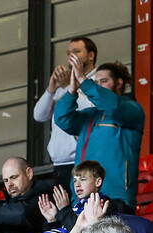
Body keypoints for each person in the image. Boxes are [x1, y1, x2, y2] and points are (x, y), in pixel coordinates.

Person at [54, 60, 144, 207]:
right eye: (96, 82)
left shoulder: (132, 110)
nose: (98, 86)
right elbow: (62, 119)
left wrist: (84, 81)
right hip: (82, 197)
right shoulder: (90, 115)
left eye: (104, 81)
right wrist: (72, 91)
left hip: (115, 195)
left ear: (119, 83)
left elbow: (113, 106)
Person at [33, 36, 98, 189]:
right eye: (69, 53)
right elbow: (39, 115)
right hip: (60, 163)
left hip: (83, 159)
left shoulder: (99, 78)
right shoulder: (65, 80)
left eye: (76, 51)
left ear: (91, 55)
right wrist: (51, 89)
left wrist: (70, 87)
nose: (71, 56)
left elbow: (92, 106)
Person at [37, 160, 153, 233]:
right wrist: (52, 221)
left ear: (97, 182)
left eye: (83, 179)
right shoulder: (76, 206)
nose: (77, 184)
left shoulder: (102, 204)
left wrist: (64, 210)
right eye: (75, 180)